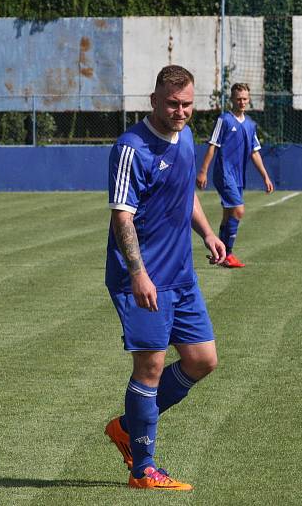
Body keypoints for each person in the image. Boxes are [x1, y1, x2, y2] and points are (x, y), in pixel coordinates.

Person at [104, 65, 226, 491]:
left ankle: (126, 427)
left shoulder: (188, 137)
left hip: (181, 275)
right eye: (173, 103)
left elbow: (184, 192)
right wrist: (138, 274)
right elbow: (122, 216)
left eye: (188, 104)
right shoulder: (131, 148)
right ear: (153, 100)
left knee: (202, 360)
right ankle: (144, 469)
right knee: (151, 366)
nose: (181, 111)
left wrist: (207, 232)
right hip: (141, 279)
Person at [196, 83, 274, 268]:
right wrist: (203, 171)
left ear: (249, 100)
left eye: (245, 98)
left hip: (238, 176)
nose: (242, 102)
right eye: (238, 98)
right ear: (231, 99)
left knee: (228, 215)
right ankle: (228, 255)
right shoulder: (224, 120)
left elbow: (254, 152)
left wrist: (265, 176)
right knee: (239, 210)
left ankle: (221, 254)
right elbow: (212, 146)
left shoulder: (250, 125)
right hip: (224, 173)